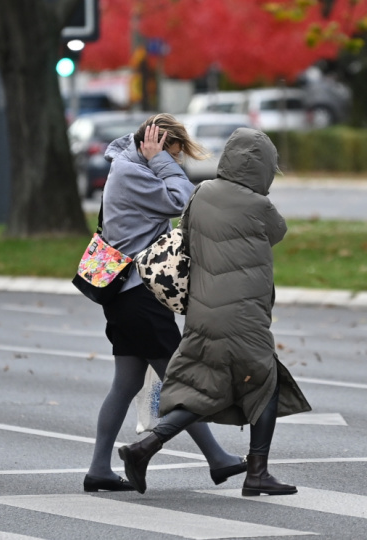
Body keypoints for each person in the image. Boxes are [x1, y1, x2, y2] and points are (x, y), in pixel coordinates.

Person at [117, 128, 312, 496]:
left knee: (206, 388)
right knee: (266, 382)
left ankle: (143, 448)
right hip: (244, 316)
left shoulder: (202, 194)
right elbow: (278, 232)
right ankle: (257, 473)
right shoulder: (260, 206)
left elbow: (186, 236)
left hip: (203, 314)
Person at [84, 114, 247, 493]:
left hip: (127, 295)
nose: (176, 161)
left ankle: (98, 469)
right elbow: (183, 200)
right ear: (155, 143)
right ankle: (217, 459)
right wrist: (160, 162)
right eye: (173, 152)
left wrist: (158, 160)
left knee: (125, 384)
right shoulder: (133, 172)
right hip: (138, 295)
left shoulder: (128, 167)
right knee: (181, 381)